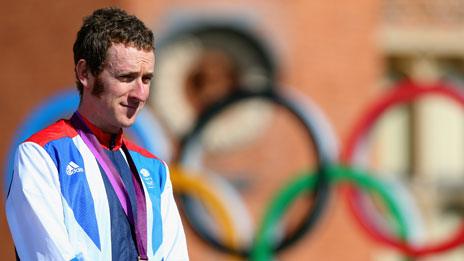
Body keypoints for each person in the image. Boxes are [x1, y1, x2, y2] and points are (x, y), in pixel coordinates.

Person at [5, 7, 189, 260]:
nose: (140, 94)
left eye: (146, 79)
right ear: (85, 73)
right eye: (126, 77)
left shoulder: (154, 169)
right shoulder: (42, 155)